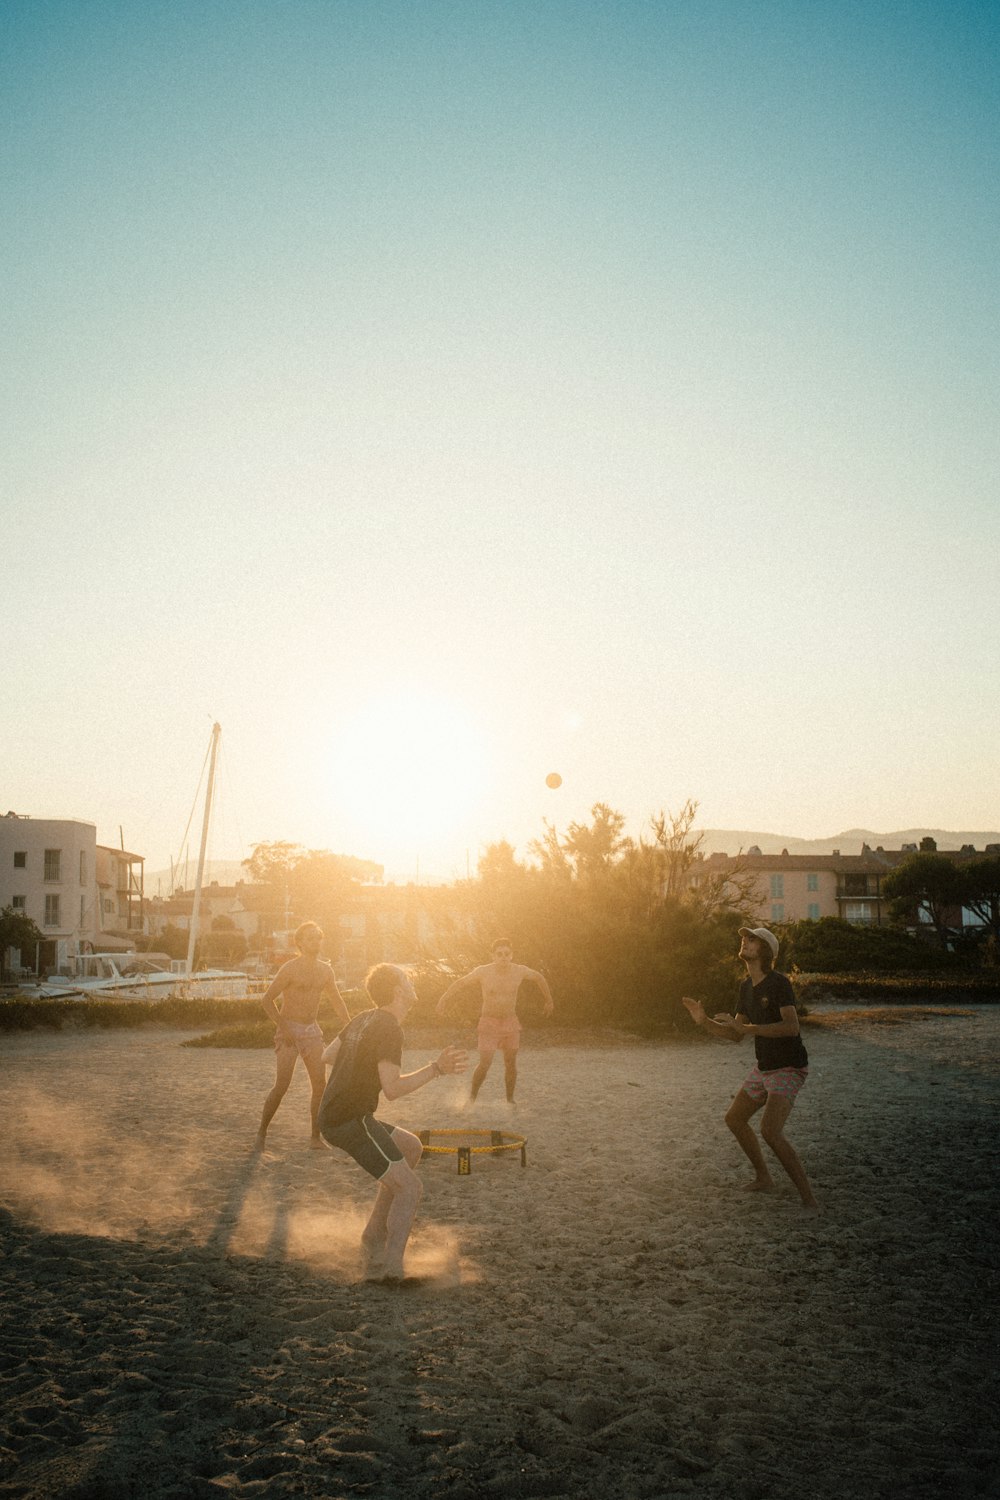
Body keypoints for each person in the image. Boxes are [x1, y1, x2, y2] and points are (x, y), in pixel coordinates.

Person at [319, 963, 467, 1283]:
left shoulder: (363, 1018)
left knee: (411, 1146)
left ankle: (373, 1234)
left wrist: (355, 1074)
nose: (412, 983)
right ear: (398, 991)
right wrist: (436, 1069)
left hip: (339, 1115)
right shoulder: (389, 1027)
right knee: (411, 1189)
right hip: (348, 1120)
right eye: (406, 979)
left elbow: (328, 1056)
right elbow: (393, 1089)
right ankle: (392, 1271)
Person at [682, 926, 818, 1211]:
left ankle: (809, 1198)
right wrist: (704, 1021)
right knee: (734, 1119)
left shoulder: (778, 983)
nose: (745, 940)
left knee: (770, 1131)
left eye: (752, 939)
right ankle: (764, 1177)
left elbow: (792, 1027)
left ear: (765, 951)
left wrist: (748, 1028)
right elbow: (735, 1034)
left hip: (789, 1067)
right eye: (744, 937)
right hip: (764, 1067)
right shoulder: (745, 987)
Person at [255, 921, 351, 1152]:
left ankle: (315, 1137)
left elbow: (337, 1000)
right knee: (282, 1085)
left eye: (318, 937)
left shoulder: (326, 970)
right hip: (289, 1031)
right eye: (310, 938)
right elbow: (267, 1000)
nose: (315, 942)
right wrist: (283, 1027)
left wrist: (350, 1025)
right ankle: (261, 1133)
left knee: (320, 1085)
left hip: (311, 1031)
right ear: (299, 942)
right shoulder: (289, 968)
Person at [435, 938, 554, 1103]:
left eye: (507, 954)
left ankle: (510, 1100)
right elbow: (461, 983)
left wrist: (549, 1000)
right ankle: (471, 1098)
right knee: (485, 1063)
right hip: (489, 1023)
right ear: (493, 956)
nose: (503, 957)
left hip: (510, 1022)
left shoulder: (519, 971)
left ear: (511, 955)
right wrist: (443, 999)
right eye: (499, 954)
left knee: (511, 1062)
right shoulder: (483, 972)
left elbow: (539, 977)